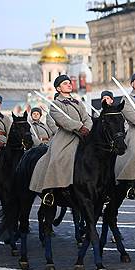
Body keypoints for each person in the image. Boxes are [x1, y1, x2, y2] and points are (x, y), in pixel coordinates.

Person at [28, 75, 92, 206]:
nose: (69, 85)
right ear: (58, 88)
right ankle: (50, 191)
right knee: (57, 159)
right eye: (65, 83)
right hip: (65, 138)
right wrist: (80, 127)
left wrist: (88, 128)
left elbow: (87, 118)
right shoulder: (55, 105)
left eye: (69, 83)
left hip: (83, 137)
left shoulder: (78, 103)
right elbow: (64, 121)